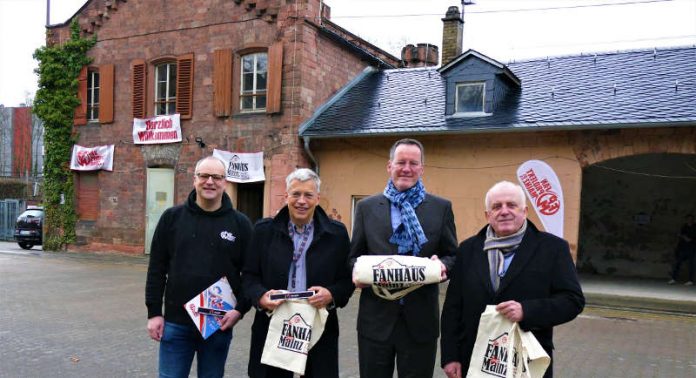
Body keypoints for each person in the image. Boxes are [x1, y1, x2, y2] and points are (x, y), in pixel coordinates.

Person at [440, 181, 585, 378]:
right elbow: (452, 308)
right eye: (497, 206)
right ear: (487, 215)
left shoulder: (552, 248)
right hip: (474, 358)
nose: (504, 211)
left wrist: (527, 310)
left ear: (524, 211)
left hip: (526, 360)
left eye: (511, 205)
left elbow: (572, 301)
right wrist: (450, 356)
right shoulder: (468, 250)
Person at [350, 138, 458, 378]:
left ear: (421, 168)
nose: (406, 168)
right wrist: (356, 273)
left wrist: (442, 266)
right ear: (390, 166)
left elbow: (452, 255)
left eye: (413, 163)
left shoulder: (440, 208)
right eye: (401, 162)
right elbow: (353, 256)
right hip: (375, 322)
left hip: (420, 323)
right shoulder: (366, 207)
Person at [145, 155, 253, 378]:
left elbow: (251, 273)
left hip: (218, 325)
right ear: (194, 179)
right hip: (175, 324)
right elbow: (156, 268)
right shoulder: (172, 218)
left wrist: (240, 310)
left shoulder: (240, 224)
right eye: (204, 176)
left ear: (225, 182)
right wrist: (154, 313)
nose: (210, 182)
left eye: (216, 177)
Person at [243, 168, 354, 378]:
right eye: (295, 194)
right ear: (286, 196)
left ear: (317, 198)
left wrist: (331, 294)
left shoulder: (336, 234)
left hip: (318, 324)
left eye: (308, 195)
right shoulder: (263, 231)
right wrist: (260, 296)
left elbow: (347, 280)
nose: (301, 201)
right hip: (273, 322)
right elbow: (249, 276)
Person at [668, 214, 696, 286]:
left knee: (691, 265)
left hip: (692, 248)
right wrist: (683, 238)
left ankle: (690, 280)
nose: (689, 220)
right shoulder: (684, 227)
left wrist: (689, 239)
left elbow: (692, 238)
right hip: (683, 248)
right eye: (688, 219)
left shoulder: (695, 227)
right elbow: (680, 235)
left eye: (691, 219)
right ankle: (673, 279)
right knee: (678, 263)